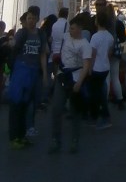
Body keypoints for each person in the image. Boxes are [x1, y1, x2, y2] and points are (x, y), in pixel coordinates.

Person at [49, 16, 91, 154]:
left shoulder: (85, 45)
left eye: (73, 28)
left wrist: (79, 83)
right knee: (56, 108)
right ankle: (56, 139)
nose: (71, 31)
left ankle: (74, 140)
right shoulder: (66, 37)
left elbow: (86, 66)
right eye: (70, 28)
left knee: (75, 111)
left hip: (75, 78)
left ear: (80, 29)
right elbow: (54, 38)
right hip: (62, 76)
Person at [8, 9, 49, 148]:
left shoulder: (40, 34)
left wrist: (44, 73)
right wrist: (10, 41)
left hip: (33, 71)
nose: (31, 21)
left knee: (27, 104)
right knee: (16, 103)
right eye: (29, 18)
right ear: (26, 19)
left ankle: (22, 135)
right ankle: (14, 137)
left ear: (37, 19)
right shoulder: (22, 33)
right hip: (21, 69)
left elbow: (43, 53)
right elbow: (13, 46)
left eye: (33, 18)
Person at [89, 10, 114, 129]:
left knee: (95, 95)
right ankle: (100, 117)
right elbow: (109, 53)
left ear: (97, 21)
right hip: (105, 66)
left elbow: (92, 55)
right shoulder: (110, 36)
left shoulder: (95, 37)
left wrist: (89, 68)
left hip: (96, 68)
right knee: (101, 92)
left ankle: (99, 117)